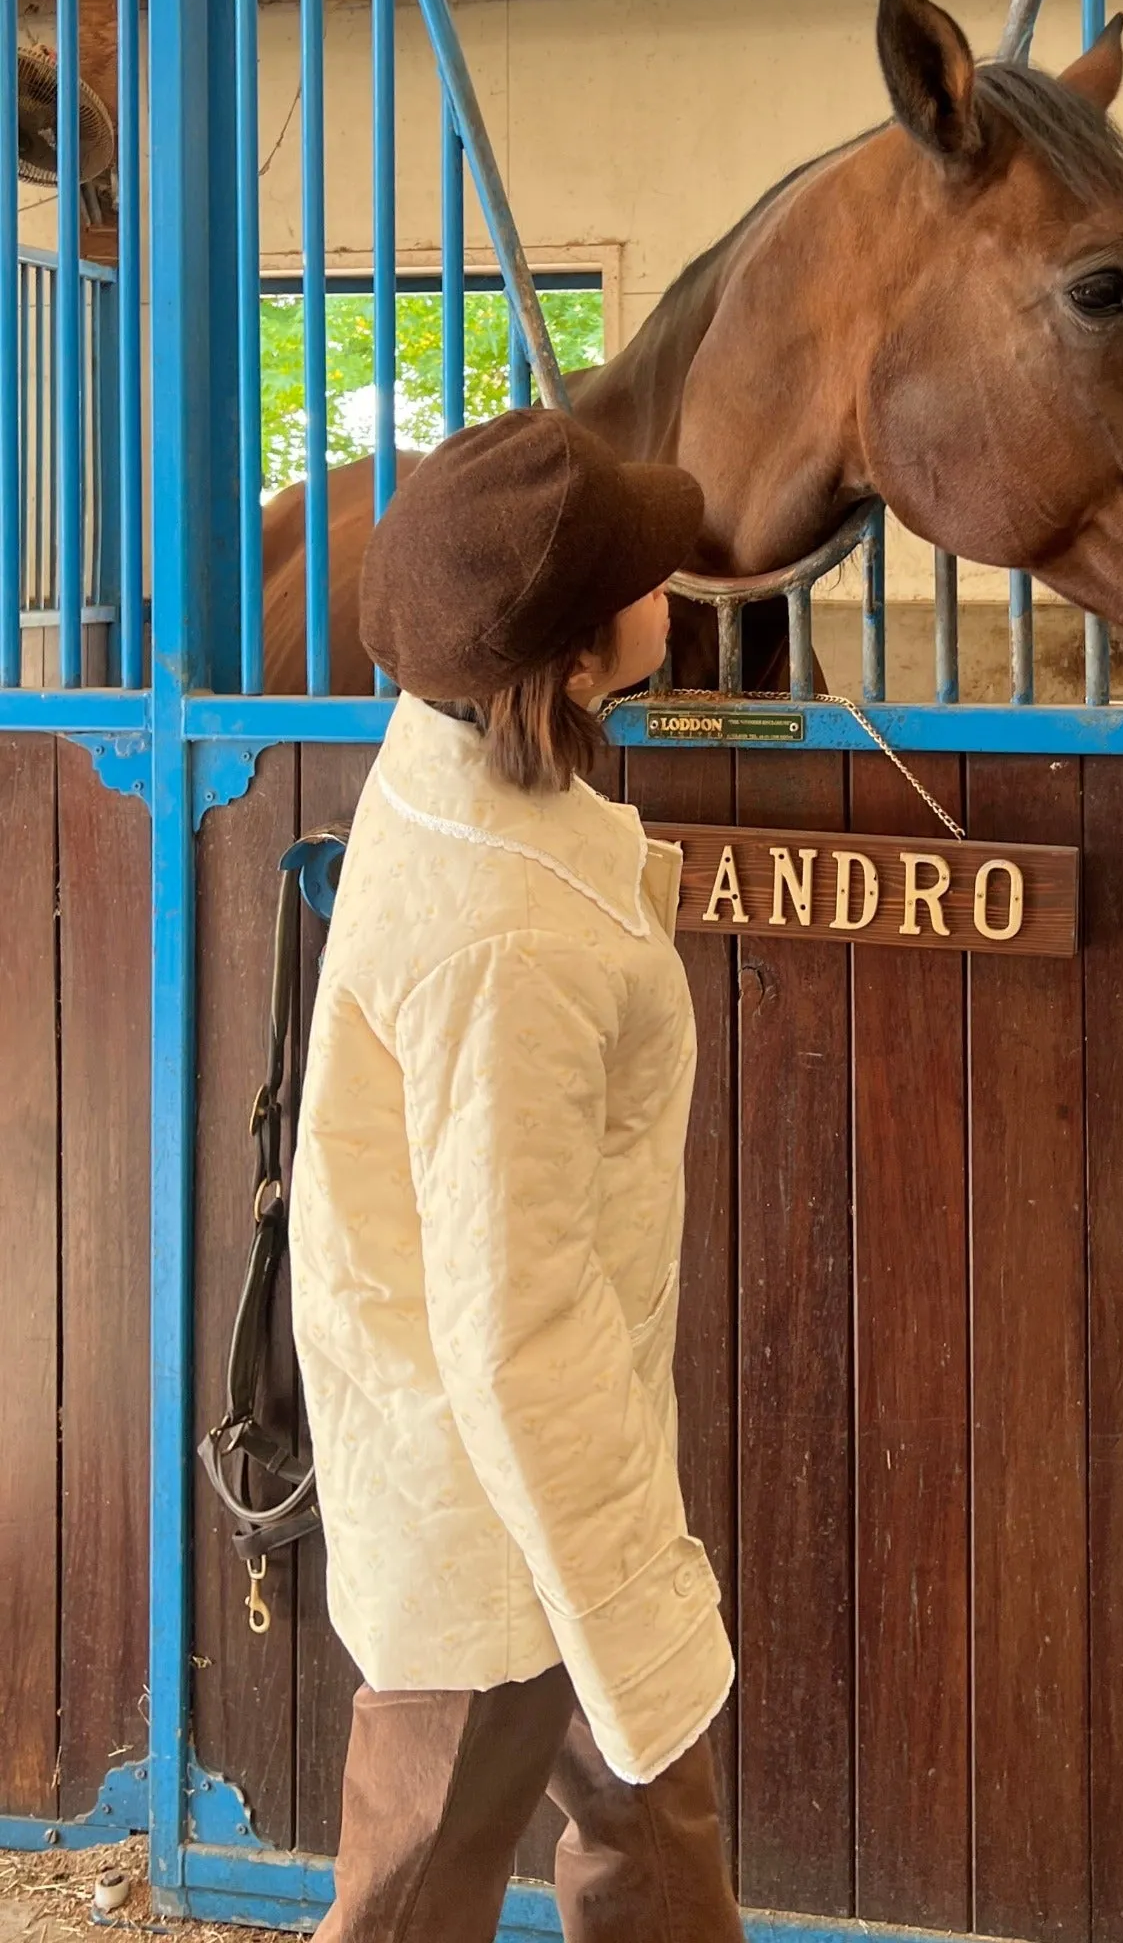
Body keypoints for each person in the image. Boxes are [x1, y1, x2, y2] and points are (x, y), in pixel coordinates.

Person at [289, 407, 743, 1943]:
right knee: (422, 1889)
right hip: (502, 1518)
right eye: (636, 570)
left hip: (496, 1473)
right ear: (566, 661)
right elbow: (515, 1329)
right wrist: (628, 1597)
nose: (665, 583)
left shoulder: (450, 747)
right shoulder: (517, 940)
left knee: (650, 1835)